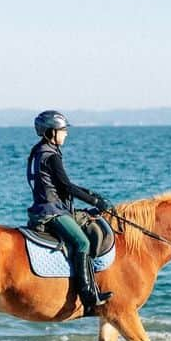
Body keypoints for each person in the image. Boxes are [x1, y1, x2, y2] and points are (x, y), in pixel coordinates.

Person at [26, 110, 115, 313]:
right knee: (82, 241)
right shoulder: (51, 156)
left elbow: (62, 184)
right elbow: (66, 186)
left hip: (44, 207)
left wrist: (91, 194)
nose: (65, 133)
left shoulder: (39, 151)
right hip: (51, 212)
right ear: (51, 132)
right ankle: (87, 294)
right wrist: (94, 200)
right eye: (62, 130)